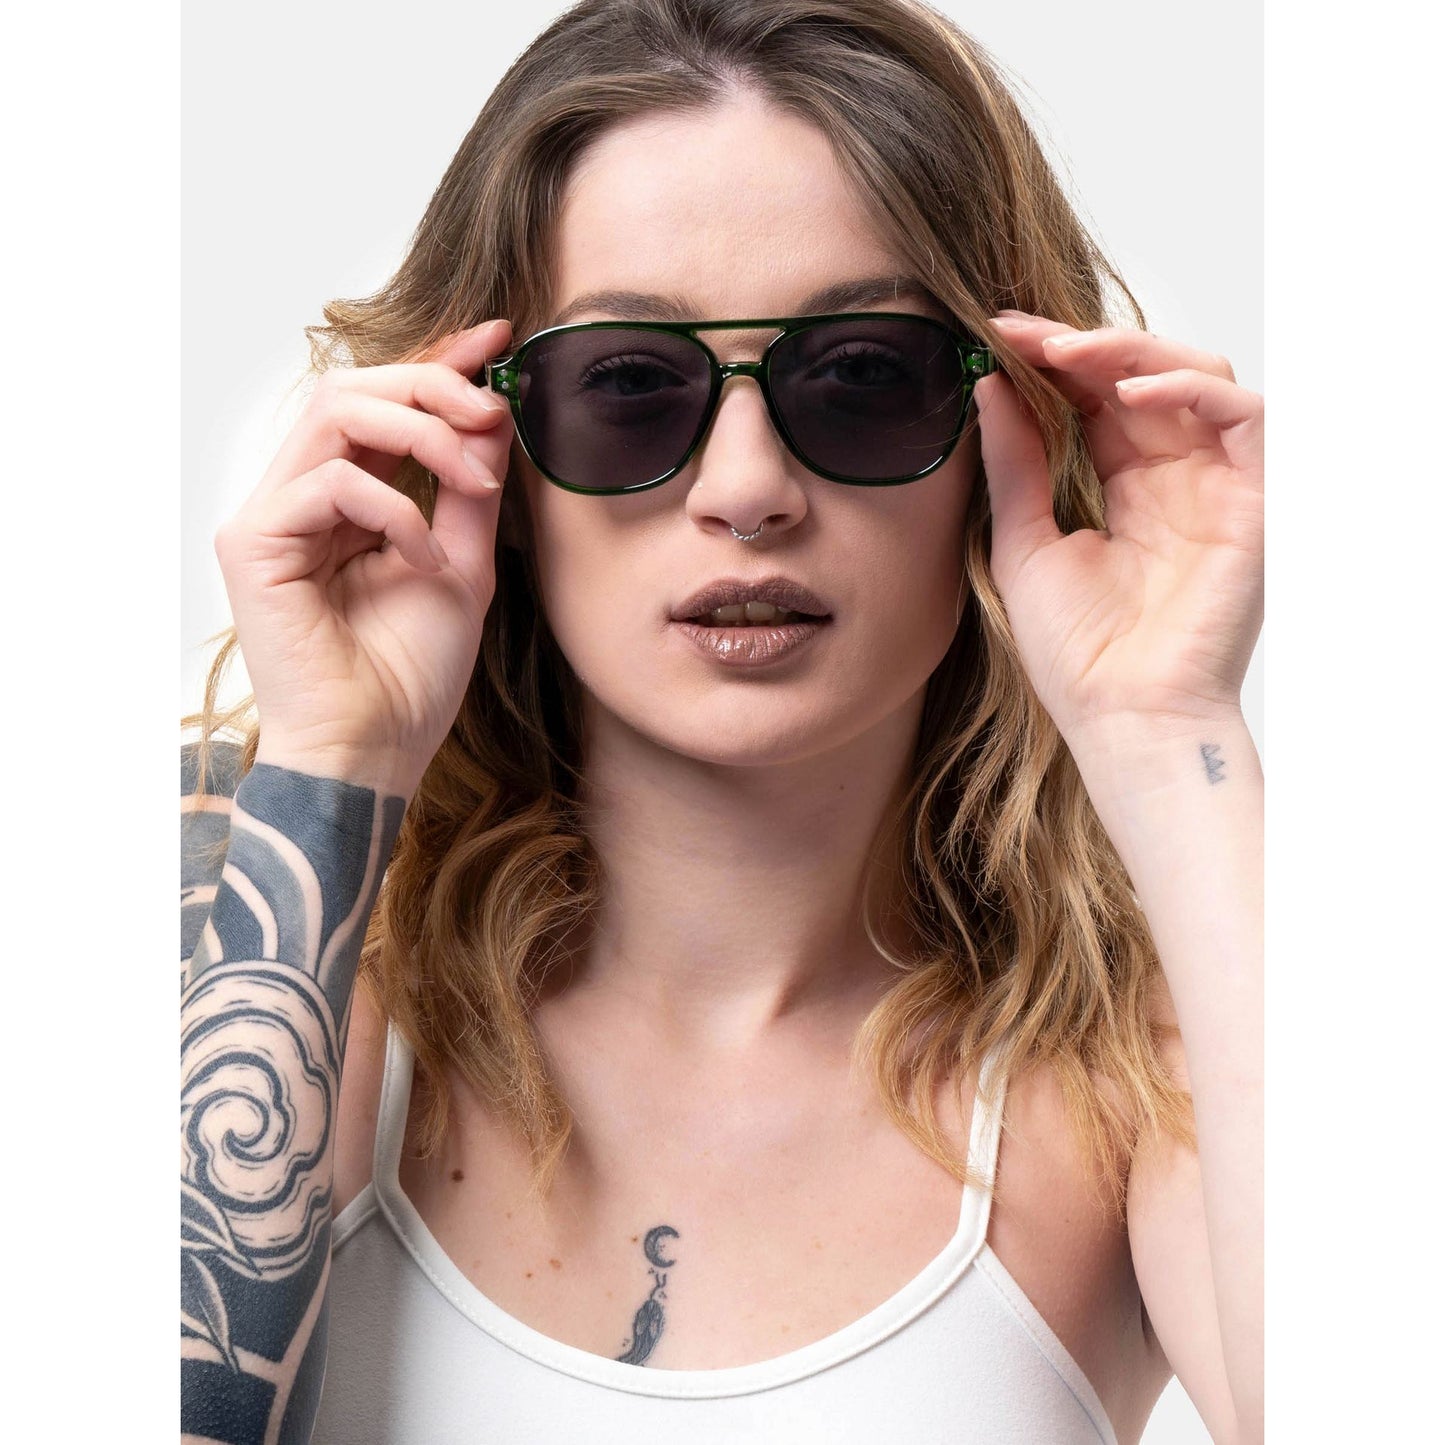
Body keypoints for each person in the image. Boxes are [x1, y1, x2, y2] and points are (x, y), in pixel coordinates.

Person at [179, 1, 1263, 1441]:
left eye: (861, 374)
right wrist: (336, 759)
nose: (746, 489)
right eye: (628, 384)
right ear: (480, 437)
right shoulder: (221, 893)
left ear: (1009, 428)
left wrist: (1168, 730)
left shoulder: (1144, 1058)